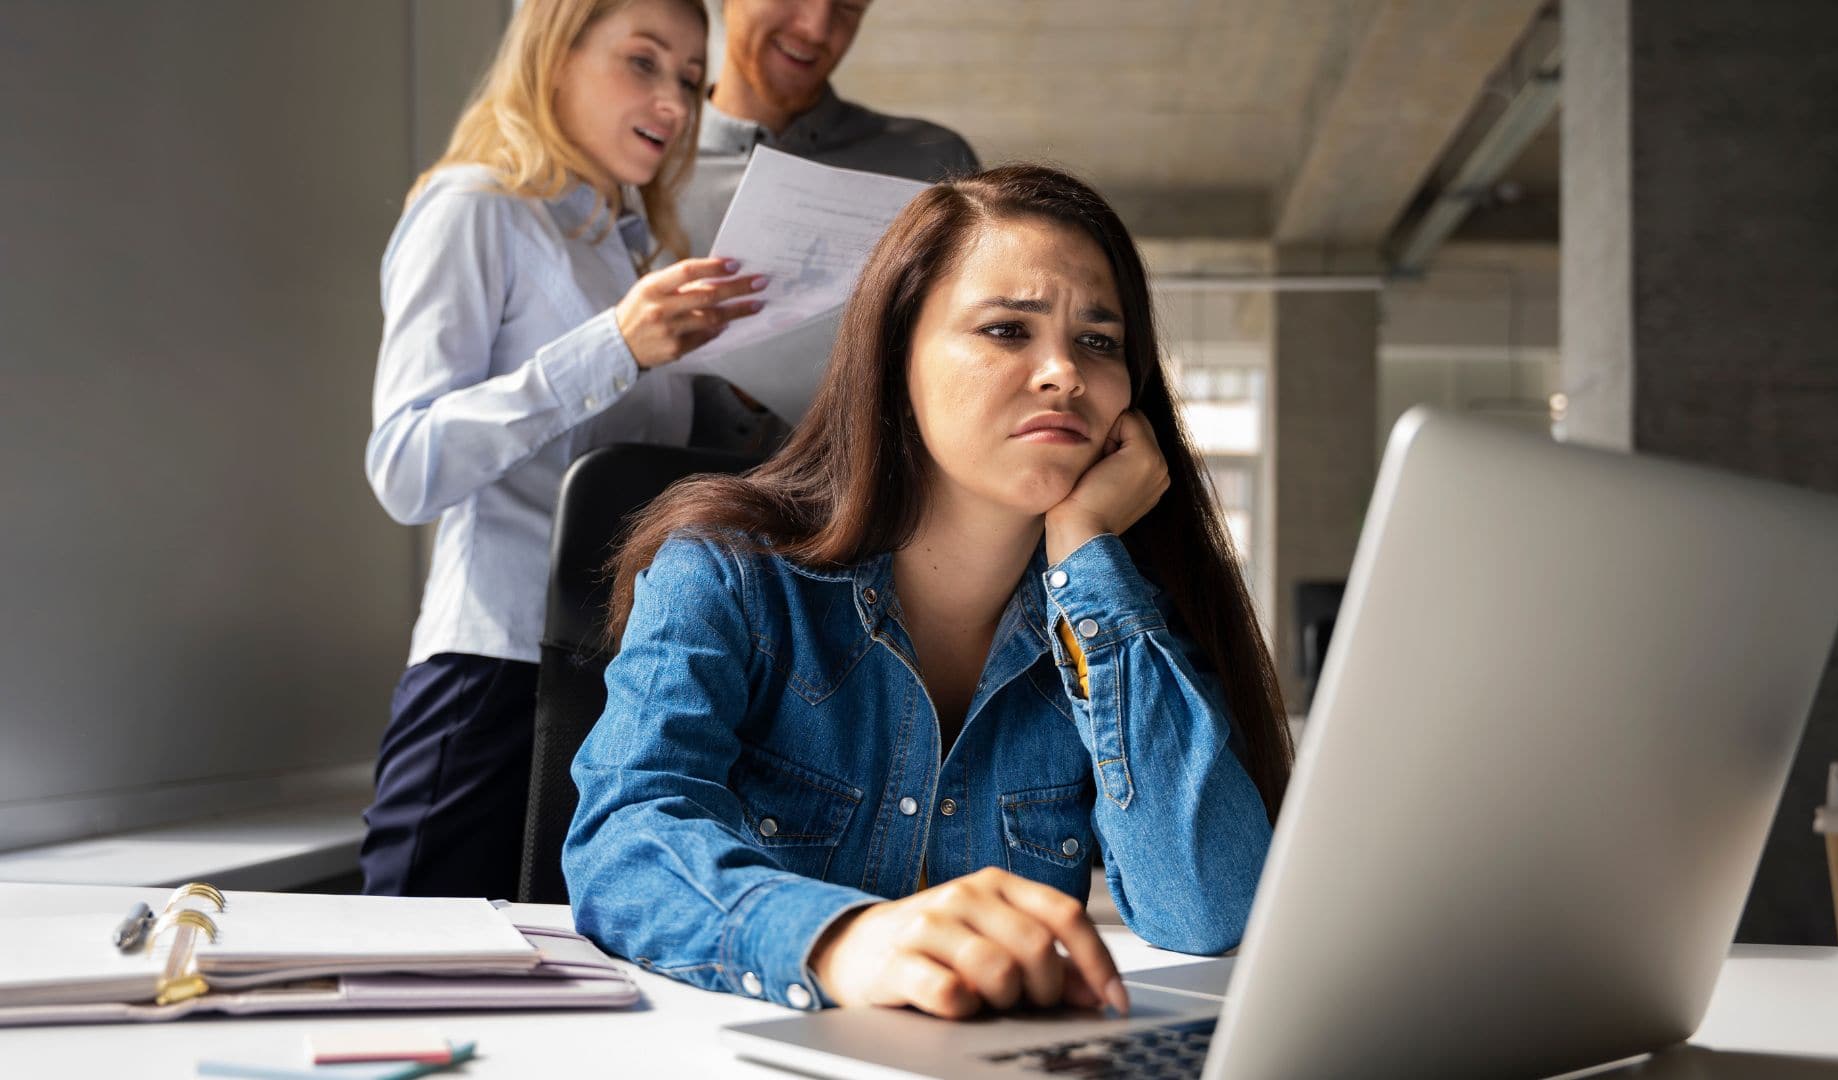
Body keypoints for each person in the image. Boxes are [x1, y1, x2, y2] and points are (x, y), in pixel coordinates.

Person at [565, 165, 1294, 1017]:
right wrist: (841, 939)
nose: (1063, 372)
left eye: (1099, 341)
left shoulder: (1114, 626)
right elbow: (624, 838)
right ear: (895, 359)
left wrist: (1087, 551)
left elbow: (1209, 909)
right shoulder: (726, 572)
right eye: (1006, 330)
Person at [360, 0, 771, 900]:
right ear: (554, 57)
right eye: (644, 61)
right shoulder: (474, 209)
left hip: (619, 683)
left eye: (692, 80)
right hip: (492, 675)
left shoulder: (637, 256)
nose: (674, 101)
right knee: (411, 988)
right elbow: (405, 465)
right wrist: (614, 346)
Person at [679, 0, 982, 257]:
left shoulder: (934, 165)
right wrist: (630, 328)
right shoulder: (640, 170)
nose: (816, 30)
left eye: (848, 4)